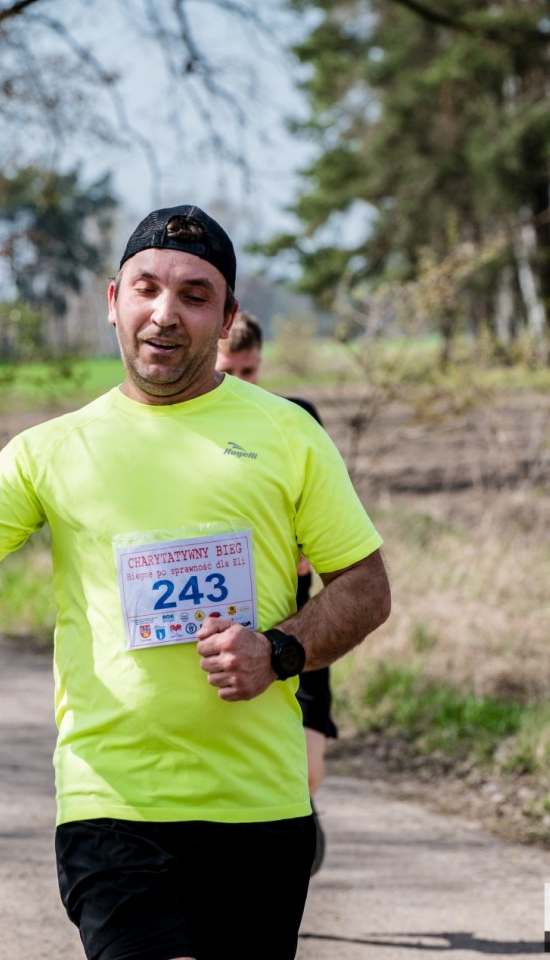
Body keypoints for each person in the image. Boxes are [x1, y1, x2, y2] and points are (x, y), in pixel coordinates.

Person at [0, 205, 390, 960]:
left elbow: (366, 587)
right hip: (111, 805)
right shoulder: (51, 450)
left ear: (228, 318)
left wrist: (278, 651)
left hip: (260, 808)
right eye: (147, 288)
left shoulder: (288, 434)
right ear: (113, 301)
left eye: (195, 295)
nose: (165, 313)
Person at [216, 310, 339, 876]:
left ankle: (298, 829)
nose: (242, 381)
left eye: (251, 370)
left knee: (308, 772)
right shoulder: (193, 430)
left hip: (298, 629)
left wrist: (311, 546)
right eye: (230, 370)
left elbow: (329, 509)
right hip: (229, 630)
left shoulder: (295, 419)